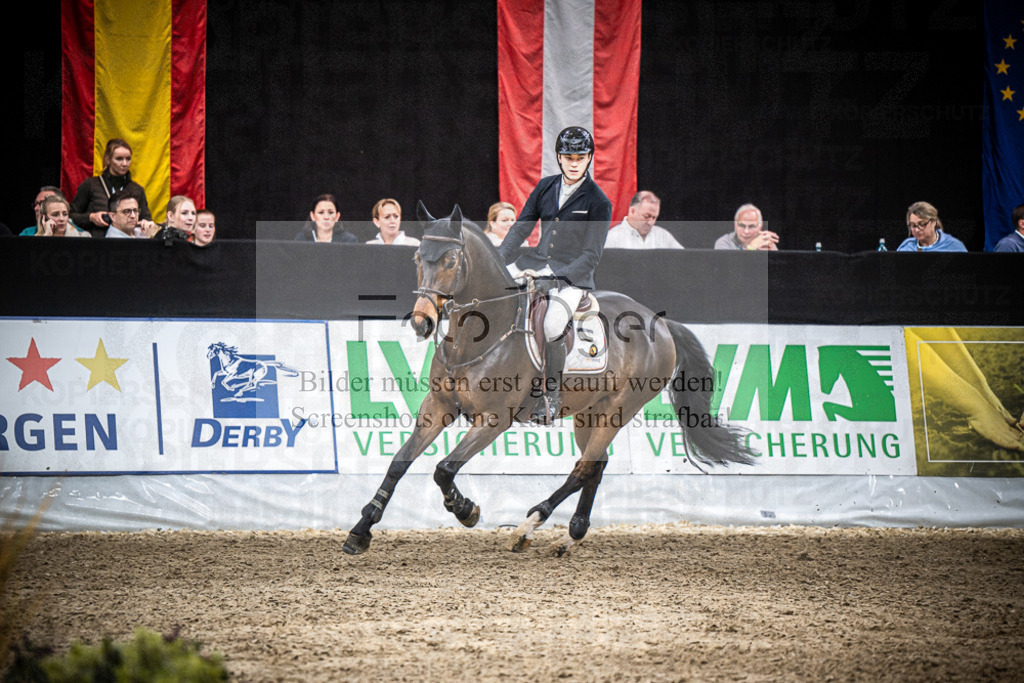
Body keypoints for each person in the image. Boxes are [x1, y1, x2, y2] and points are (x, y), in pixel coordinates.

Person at [497, 125, 612, 423]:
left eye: (581, 157)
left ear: (589, 158)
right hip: (534, 261)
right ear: (559, 158)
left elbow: (591, 256)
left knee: (552, 325)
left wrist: (556, 279)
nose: (574, 162)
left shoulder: (598, 201)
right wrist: (499, 259)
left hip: (571, 277)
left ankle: (550, 397)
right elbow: (522, 227)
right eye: (568, 156)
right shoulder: (546, 186)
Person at [69, 138, 154, 236]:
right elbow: (70, 217)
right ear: (108, 160)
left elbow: (147, 220)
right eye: (119, 159)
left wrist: (146, 223)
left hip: (126, 246)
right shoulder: (91, 184)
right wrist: (91, 217)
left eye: (128, 159)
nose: (125, 164)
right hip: (96, 244)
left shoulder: (137, 189)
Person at [604, 191, 683, 249]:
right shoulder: (612, 239)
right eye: (647, 216)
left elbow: (685, 261)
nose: (651, 222)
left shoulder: (663, 236)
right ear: (632, 211)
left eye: (654, 218)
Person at [897, 201, 967, 252]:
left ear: (934, 222)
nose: (917, 230)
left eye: (922, 224)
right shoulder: (906, 247)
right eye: (913, 225)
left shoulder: (954, 246)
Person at [714, 204, 778, 250]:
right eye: (742, 226)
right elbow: (730, 267)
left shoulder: (765, 242)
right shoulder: (724, 242)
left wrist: (772, 253)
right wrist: (751, 247)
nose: (746, 231)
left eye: (751, 226)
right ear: (735, 225)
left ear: (760, 226)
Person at [23, 195, 90, 237]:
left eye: (65, 214)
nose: (61, 219)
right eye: (55, 214)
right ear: (44, 218)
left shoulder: (84, 238)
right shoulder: (32, 240)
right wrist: (47, 235)